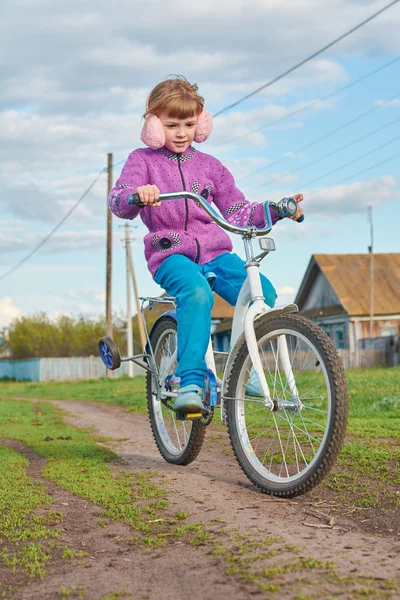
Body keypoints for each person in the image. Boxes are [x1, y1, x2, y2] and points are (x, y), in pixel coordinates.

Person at [108, 76, 304, 414]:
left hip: (216, 253)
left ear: (201, 123)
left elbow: (236, 210)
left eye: (188, 123)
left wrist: (276, 209)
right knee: (197, 294)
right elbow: (118, 200)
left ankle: (246, 369)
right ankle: (190, 381)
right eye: (171, 125)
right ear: (153, 124)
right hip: (171, 254)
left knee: (263, 295)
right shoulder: (143, 161)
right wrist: (137, 195)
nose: (181, 133)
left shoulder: (211, 167)